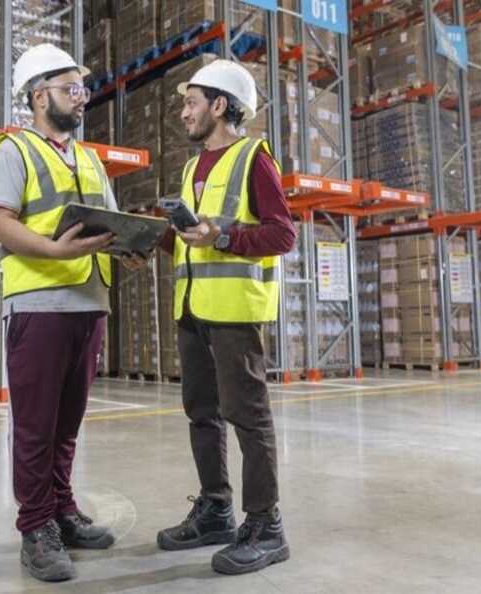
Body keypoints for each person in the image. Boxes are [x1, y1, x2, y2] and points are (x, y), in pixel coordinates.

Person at [0, 43, 143, 582]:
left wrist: (131, 245)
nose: (81, 98)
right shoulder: (14, 151)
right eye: (71, 88)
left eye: (83, 89)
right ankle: (35, 527)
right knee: (36, 425)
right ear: (38, 96)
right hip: (40, 303)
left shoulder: (91, 159)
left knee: (68, 422)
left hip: (89, 303)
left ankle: (62, 510)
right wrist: (53, 251)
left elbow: (111, 223)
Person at [155, 59, 297, 575]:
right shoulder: (193, 168)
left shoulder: (253, 158)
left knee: (247, 415)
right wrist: (145, 240)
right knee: (202, 412)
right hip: (193, 307)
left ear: (219, 105)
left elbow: (283, 234)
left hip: (236, 310)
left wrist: (223, 237)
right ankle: (216, 509)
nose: (184, 112)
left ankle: (266, 525)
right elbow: (190, 239)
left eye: (191, 102)